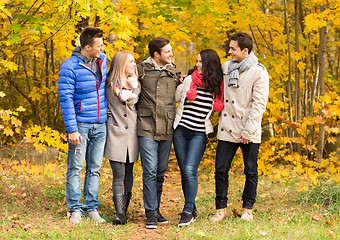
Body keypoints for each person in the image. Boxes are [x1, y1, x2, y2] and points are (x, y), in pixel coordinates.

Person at [209, 32, 269, 222]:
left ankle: (247, 209)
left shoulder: (259, 72)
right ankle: (220, 209)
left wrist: (248, 131)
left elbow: (259, 104)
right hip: (228, 126)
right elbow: (212, 83)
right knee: (220, 169)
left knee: (250, 170)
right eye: (230, 48)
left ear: (245, 51)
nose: (229, 52)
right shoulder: (227, 67)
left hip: (248, 128)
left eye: (233, 49)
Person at [58, 26, 108, 224]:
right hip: (80, 125)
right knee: (76, 168)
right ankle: (75, 209)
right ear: (87, 47)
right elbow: (65, 99)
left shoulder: (103, 61)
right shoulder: (70, 67)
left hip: (100, 124)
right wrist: (72, 129)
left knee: (95, 168)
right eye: (99, 45)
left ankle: (92, 208)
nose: (102, 48)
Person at [173, 49, 224, 227]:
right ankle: (191, 208)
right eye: (197, 61)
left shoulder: (217, 85)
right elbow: (176, 98)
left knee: (189, 169)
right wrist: (180, 84)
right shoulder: (189, 79)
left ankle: (187, 211)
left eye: (201, 62)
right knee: (184, 172)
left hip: (199, 133)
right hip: (180, 131)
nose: (198, 65)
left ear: (210, 64)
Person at [136, 37, 181, 229]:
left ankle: (156, 208)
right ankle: (151, 213)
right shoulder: (140, 70)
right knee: (150, 171)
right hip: (146, 125)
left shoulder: (174, 72)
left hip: (167, 127)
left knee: (161, 172)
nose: (171, 54)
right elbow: (122, 83)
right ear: (156, 54)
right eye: (168, 51)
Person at [104, 51, 140, 225]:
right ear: (121, 64)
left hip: (132, 134)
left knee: (129, 172)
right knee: (118, 173)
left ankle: (124, 210)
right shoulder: (109, 84)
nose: (134, 64)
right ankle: (119, 213)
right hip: (115, 133)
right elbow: (98, 101)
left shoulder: (136, 84)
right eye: (131, 62)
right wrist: (104, 112)